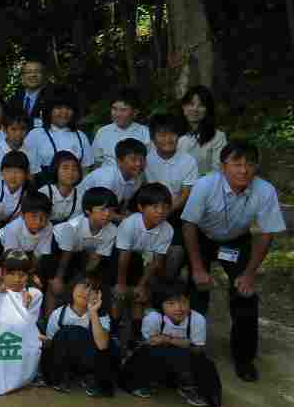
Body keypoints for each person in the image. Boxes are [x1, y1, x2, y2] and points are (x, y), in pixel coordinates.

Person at [181, 140, 287, 382]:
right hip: (202, 237)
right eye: (236, 164)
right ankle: (192, 349)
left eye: (249, 164)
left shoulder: (265, 190)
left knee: (245, 295)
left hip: (236, 241)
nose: (243, 170)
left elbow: (267, 233)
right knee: (197, 290)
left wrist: (250, 273)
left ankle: (244, 357)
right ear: (222, 166)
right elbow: (189, 224)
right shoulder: (205, 185)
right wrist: (197, 268)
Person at [119, 287, 219, 407]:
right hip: (160, 355)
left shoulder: (197, 319)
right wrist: (183, 342)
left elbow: (198, 349)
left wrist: (168, 339)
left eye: (183, 302)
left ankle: (187, 385)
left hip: (184, 358)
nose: (178, 308)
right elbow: (148, 344)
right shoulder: (153, 318)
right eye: (171, 303)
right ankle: (148, 381)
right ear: (161, 305)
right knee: (146, 354)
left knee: (202, 362)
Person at [114, 182, 174, 349]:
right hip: (121, 258)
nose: (161, 211)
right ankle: (113, 330)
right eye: (154, 207)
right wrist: (120, 283)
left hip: (142, 262)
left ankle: (135, 334)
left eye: (165, 207)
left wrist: (142, 285)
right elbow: (123, 256)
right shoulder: (130, 223)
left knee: (140, 295)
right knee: (119, 294)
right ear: (141, 207)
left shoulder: (167, 229)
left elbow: (156, 261)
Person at [40, 278, 117, 397]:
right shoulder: (58, 314)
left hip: (90, 361)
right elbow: (52, 346)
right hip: (66, 361)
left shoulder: (101, 315)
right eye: (83, 286)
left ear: (98, 295)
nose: (86, 292)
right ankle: (61, 377)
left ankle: (91, 378)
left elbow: (102, 345)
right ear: (72, 288)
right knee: (67, 332)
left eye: (91, 290)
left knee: (105, 342)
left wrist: (93, 312)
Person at [145, 113, 199, 276]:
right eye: (162, 134)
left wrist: (165, 212)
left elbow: (185, 193)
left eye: (172, 134)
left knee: (175, 254)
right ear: (153, 139)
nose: (168, 139)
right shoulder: (145, 159)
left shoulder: (188, 161)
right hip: (148, 211)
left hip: (176, 212)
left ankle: (170, 284)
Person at [48, 187, 119, 304]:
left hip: (79, 252)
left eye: (111, 210)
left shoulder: (112, 230)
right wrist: (58, 278)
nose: (107, 214)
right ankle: (49, 319)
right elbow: (66, 255)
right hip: (55, 250)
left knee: (83, 283)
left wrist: (83, 279)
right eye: (102, 209)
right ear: (88, 211)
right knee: (55, 287)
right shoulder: (73, 226)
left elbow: (96, 257)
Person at [23, 87, 94, 185]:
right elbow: (29, 173)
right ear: (49, 109)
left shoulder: (81, 136)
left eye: (68, 108)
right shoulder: (36, 135)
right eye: (59, 108)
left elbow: (86, 171)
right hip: (43, 194)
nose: (64, 112)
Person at [77, 138, 147, 223]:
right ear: (119, 161)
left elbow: (124, 202)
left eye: (142, 159)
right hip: (81, 215)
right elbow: (99, 211)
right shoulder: (107, 178)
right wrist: (126, 220)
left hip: (105, 214)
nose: (138, 163)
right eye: (133, 159)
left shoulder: (139, 177)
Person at [0, 192, 55, 275]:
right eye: (34, 216)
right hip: (4, 248)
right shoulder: (12, 228)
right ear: (22, 215)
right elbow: (11, 256)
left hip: (26, 251)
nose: (38, 222)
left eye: (44, 217)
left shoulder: (48, 226)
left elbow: (39, 253)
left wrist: (30, 270)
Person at [92, 87, 150, 167]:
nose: (118, 114)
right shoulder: (103, 132)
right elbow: (97, 162)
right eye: (114, 109)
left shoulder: (145, 132)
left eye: (123, 110)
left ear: (135, 112)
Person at [177, 85, 227, 176]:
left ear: (208, 110)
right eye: (191, 104)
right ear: (183, 107)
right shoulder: (172, 133)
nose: (195, 109)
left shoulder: (218, 137)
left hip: (205, 186)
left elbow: (218, 170)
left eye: (201, 105)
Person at [0, 150, 30, 227]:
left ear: (26, 174)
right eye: (8, 171)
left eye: (18, 172)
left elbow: (19, 222)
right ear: (2, 173)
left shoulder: (27, 193)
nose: (13, 176)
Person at [37, 151, 83, 224]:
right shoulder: (43, 193)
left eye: (74, 168)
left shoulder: (81, 196)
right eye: (65, 168)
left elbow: (75, 225)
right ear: (55, 170)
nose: (70, 172)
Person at [5, 58, 49, 127]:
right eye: (29, 72)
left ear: (43, 76)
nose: (33, 75)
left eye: (37, 72)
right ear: (22, 77)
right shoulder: (14, 100)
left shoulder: (50, 98)